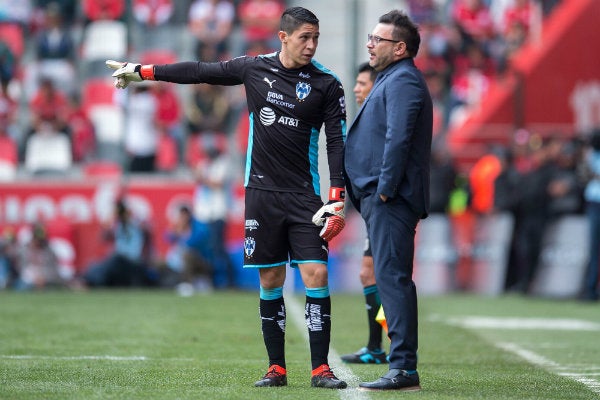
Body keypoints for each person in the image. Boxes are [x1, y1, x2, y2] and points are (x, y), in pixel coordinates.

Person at [107, 6, 348, 389]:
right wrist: (144, 71)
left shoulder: (327, 84)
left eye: (316, 37)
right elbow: (201, 71)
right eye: (305, 37)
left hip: (306, 196)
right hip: (261, 194)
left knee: (316, 273)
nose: (312, 45)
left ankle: (321, 369)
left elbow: (336, 141)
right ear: (283, 37)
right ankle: (276, 368)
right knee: (271, 279)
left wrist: (337, 195)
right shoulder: (254, 69)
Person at [344, 10, 433, 391]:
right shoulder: (393, 78)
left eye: (377, 39)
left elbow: (398, 138)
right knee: (390, 278)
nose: (369, 43)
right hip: (383, 198)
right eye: (369, 36)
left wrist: (383, 189)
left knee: (393, 280)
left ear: (399, 48)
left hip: (391, 199)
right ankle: (400, 364)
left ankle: (403, 368)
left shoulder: (404, 81)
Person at [340, 62, 388, 365]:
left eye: (361, 83)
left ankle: (397, 341)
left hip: (386, 209)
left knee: (386, 278)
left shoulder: (382, 119)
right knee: (370, 274)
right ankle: (378, 345)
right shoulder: (367, 118)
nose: (356, 89)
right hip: (373, 210)